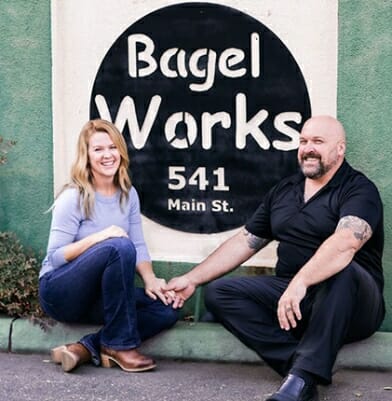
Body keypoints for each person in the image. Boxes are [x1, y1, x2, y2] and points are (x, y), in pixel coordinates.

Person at [165, 115, 385, 401]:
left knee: (342, 269)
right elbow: (246, 241)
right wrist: (191, 279)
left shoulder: (358, 189)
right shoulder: (285, 190)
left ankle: (303, 381)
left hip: (352, 304)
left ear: (340, 149)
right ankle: (297, 365)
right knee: (220, 292)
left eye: (318, 142)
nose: (308, 148)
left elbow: (345, 243)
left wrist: (301, 281)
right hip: (294, 298)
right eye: (303, 141)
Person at [39, 119, 178, 373]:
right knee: (118, 246)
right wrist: (101, 237)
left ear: (121, 152)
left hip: (100, 296)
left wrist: (150, 279)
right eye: (98, 149)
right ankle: (121, 347)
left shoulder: (128, 194)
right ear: (87, 156)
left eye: (113, 148)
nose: (107, 155)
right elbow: (56, 258)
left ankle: (86, 347)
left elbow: (137, 243)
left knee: (166, 310)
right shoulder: (74, 196)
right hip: (60, 293)